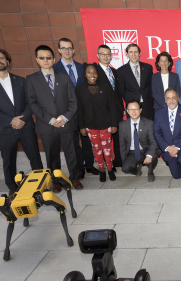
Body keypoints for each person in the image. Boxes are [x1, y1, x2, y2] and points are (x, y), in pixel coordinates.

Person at [0, 47, 43, 199]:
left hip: (26, 126)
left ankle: (39, 183)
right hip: (5, 129)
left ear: (7, 61)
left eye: (1, 58)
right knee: (9, 160)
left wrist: (22, 119)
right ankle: (12, 188)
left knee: (34, 156)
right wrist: (10, 120)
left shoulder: (20, 80)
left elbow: (30, 103)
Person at [26, 45, 83, 191]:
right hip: (47, 125)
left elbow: (73, 101)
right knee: (52, 155)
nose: (46, 60)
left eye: (48, 58)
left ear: (53, 59)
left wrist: (65, 117)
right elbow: (33, 104)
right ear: (37, 60)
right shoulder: (31, 79)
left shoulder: (64, 78)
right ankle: (56, 180)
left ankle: (75, 178)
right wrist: (51, 120)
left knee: (72, 152)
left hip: (66, 123)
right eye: (42, 58)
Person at [53, 38, 99, 179]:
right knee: (73, 143)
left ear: (73, 50)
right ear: (59, 50)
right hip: (66, 113)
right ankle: (79, 168)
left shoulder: (82, 67)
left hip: (84, 111)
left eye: (69, 48)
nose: (67, 51)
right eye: (64, 48)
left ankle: (89, 165)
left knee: (87, 140)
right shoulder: (54, 69)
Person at [76, 63, 118, 182]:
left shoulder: (105, 87)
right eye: (89, 72)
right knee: (97, 149)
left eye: (94, 72)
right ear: (85, 74)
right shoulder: (80, 88)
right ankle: (102, 170)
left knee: (107, 148)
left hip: (105, 124)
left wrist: (114, 123)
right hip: (90, 125)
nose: (92, 75)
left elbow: (112, 106)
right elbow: (79, 109)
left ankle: (110, 169)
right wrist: (81, 126)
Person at [153, 87, 181, 186]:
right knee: (176, 175)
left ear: (178, 98)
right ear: (165, 100)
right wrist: (168, 148)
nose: (171, 101)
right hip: (168, 146)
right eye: (168, 98)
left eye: (173, 97)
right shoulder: (158, 112)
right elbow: (156, 133)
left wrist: (176, 147)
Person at [95, 44, 124, 170]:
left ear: (111, 56)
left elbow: (117, 93)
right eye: (103, 54)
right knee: (104, 140)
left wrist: (121, 108)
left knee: (117, 136)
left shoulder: (114, 71)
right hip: (102, 111)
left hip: (116, 110)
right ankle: (106, 162)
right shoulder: (94, 72)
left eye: (108, 54)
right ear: (98, 55)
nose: (106, 56)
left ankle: (117, 160)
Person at [119, 100, 159, 181]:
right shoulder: (122, 125)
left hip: (145, 150)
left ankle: (150, 171)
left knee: (153, 155)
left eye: (136, 109)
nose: (133, 112)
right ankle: (137, 168)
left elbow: (153, 142)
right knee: (125, 168)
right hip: (132, 152)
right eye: (131, 109)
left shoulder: (149, 123)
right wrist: (124, 161)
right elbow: (122, 145)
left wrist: (149, 155)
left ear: (140, 110)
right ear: (127, 111)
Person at [118, 43, 155, 120]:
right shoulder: (121, 71)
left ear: (139, 53)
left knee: (149, 130)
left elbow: (151, 86)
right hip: (132, 108)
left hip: (148, 107)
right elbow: (121, 91)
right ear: (127, 54)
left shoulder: (148, 68)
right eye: (131, 52)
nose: (133, 54)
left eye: (135, 52)